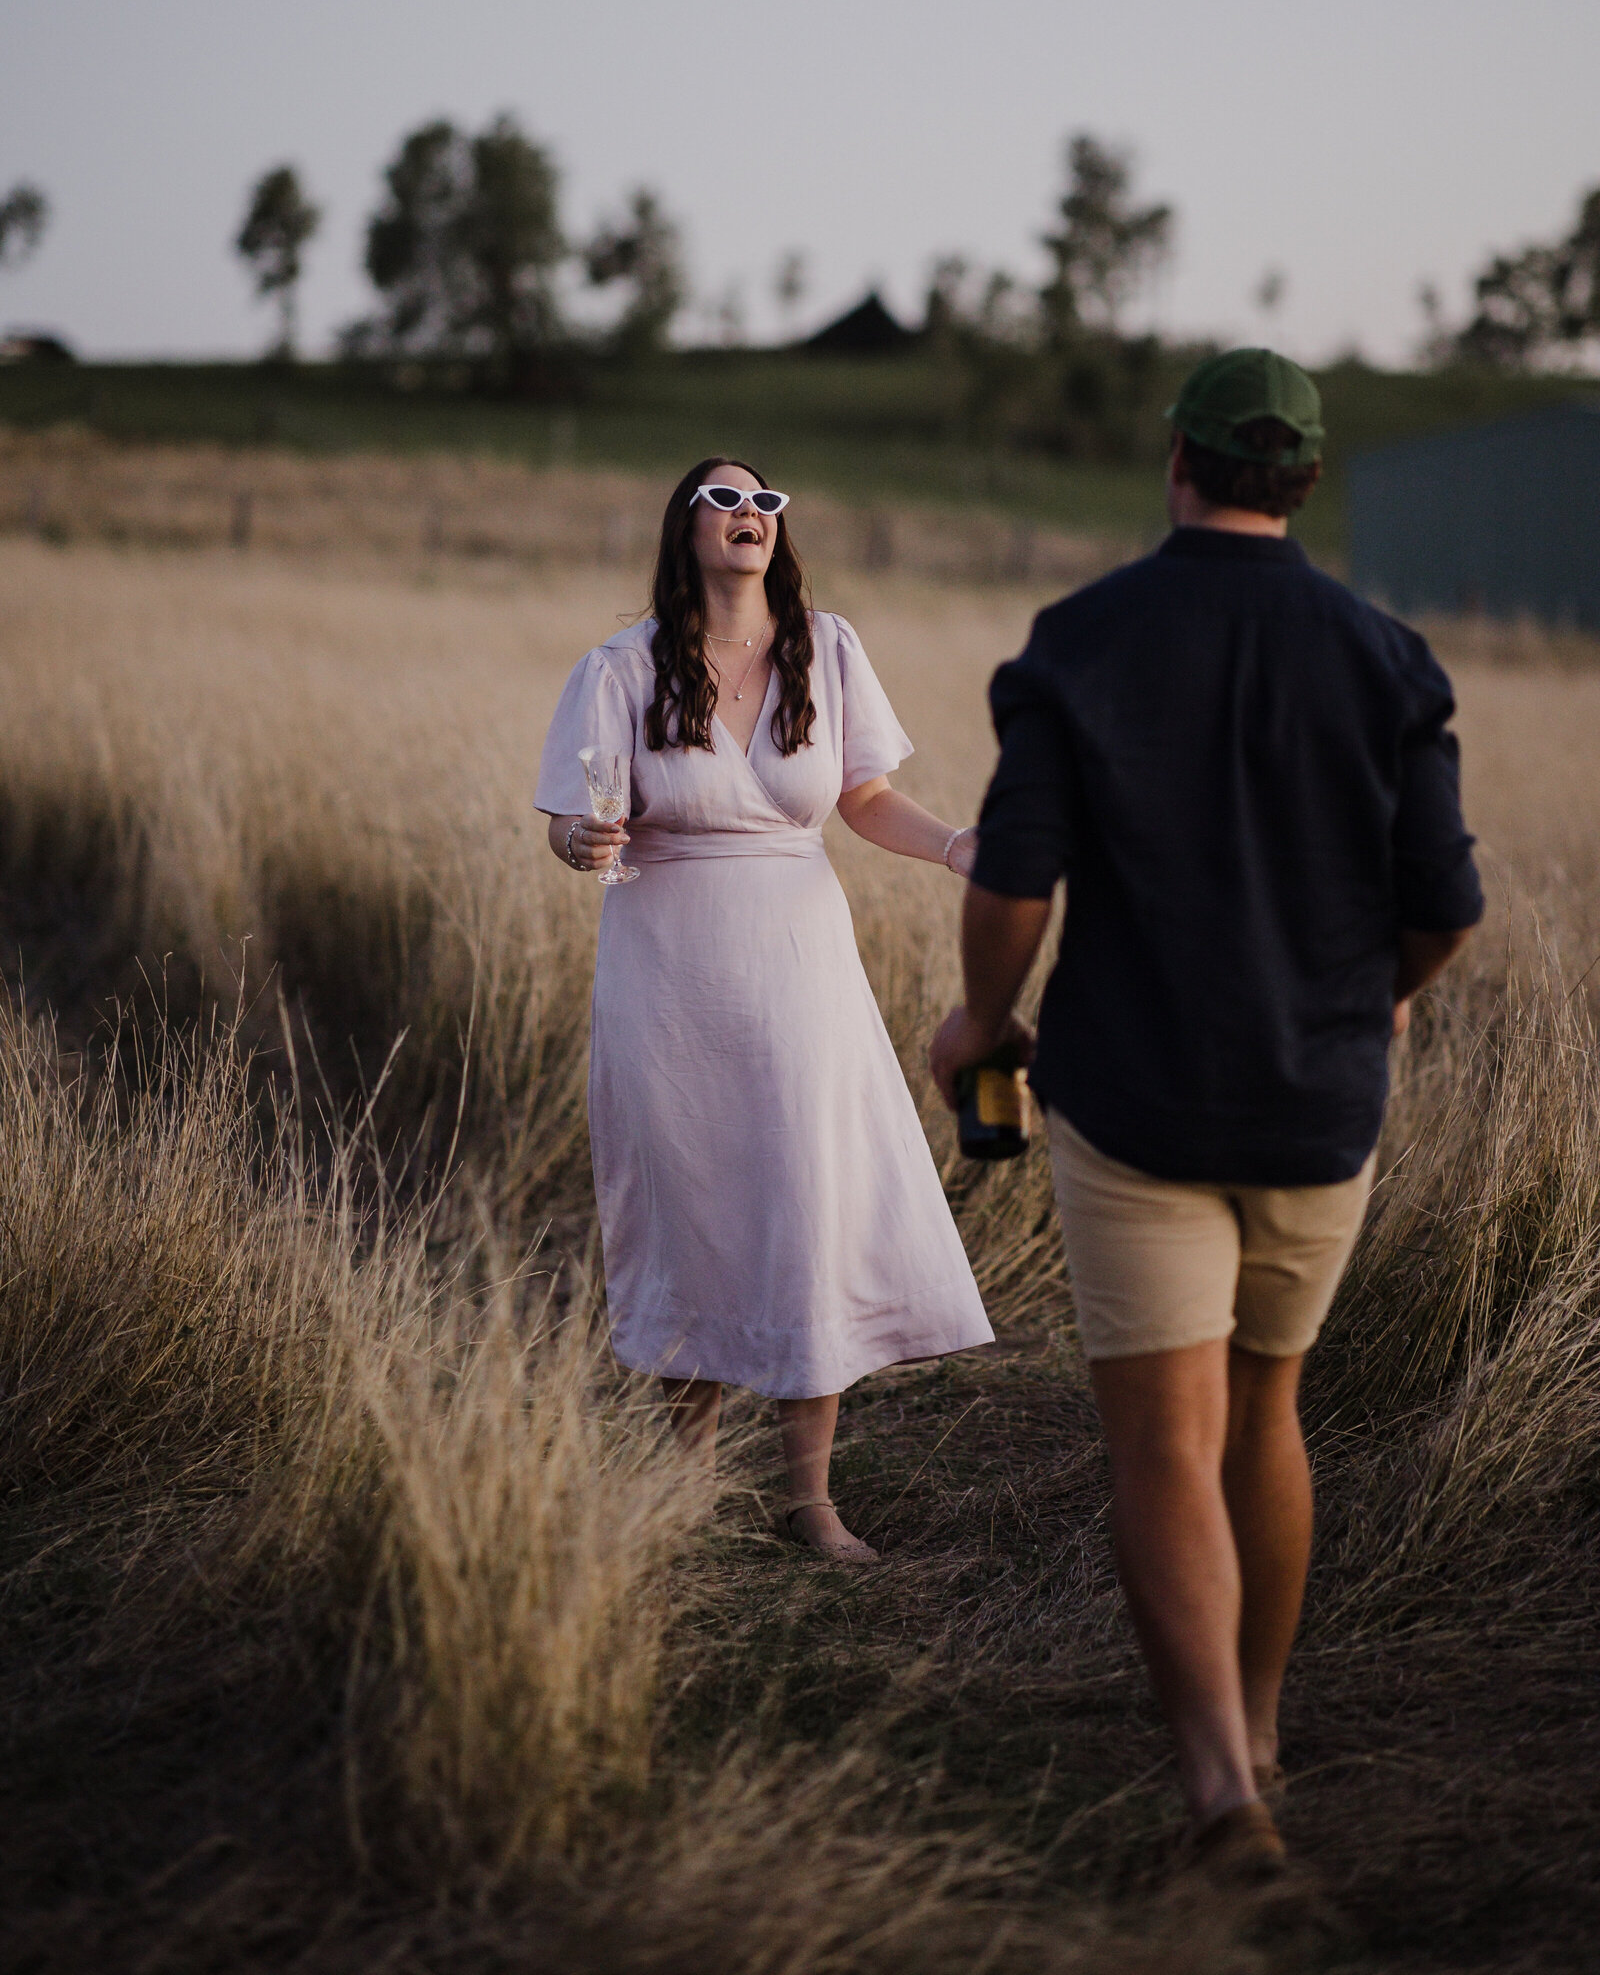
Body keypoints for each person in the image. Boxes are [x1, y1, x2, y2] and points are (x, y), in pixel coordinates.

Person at [930, 350, 1483, 1876]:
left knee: (1165, 1447)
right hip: (1321, 1113)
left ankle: (1222, 1794)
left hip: (1136, 1105)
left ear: (1177, 457)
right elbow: (1446, 905)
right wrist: (1380, 995)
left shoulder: (1084, 642)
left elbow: (1013, 883)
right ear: (1302, 476)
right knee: (1266, 1411)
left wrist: (981, 1025)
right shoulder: (1388, 656)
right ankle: (1268, 1725)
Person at [538, 456, 993, 1563]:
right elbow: (569, 820)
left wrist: (953, 846)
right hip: (666, 973)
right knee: (689, 1207)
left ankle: (811, 1502)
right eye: (725, 499)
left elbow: (865, 798)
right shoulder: (621, 665)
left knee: (803, 1206)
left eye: (766, 502)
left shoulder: (826, 650)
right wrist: (580, 840)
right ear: (683, 529)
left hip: (801, 972)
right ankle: (683, 1487)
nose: (750, 514)